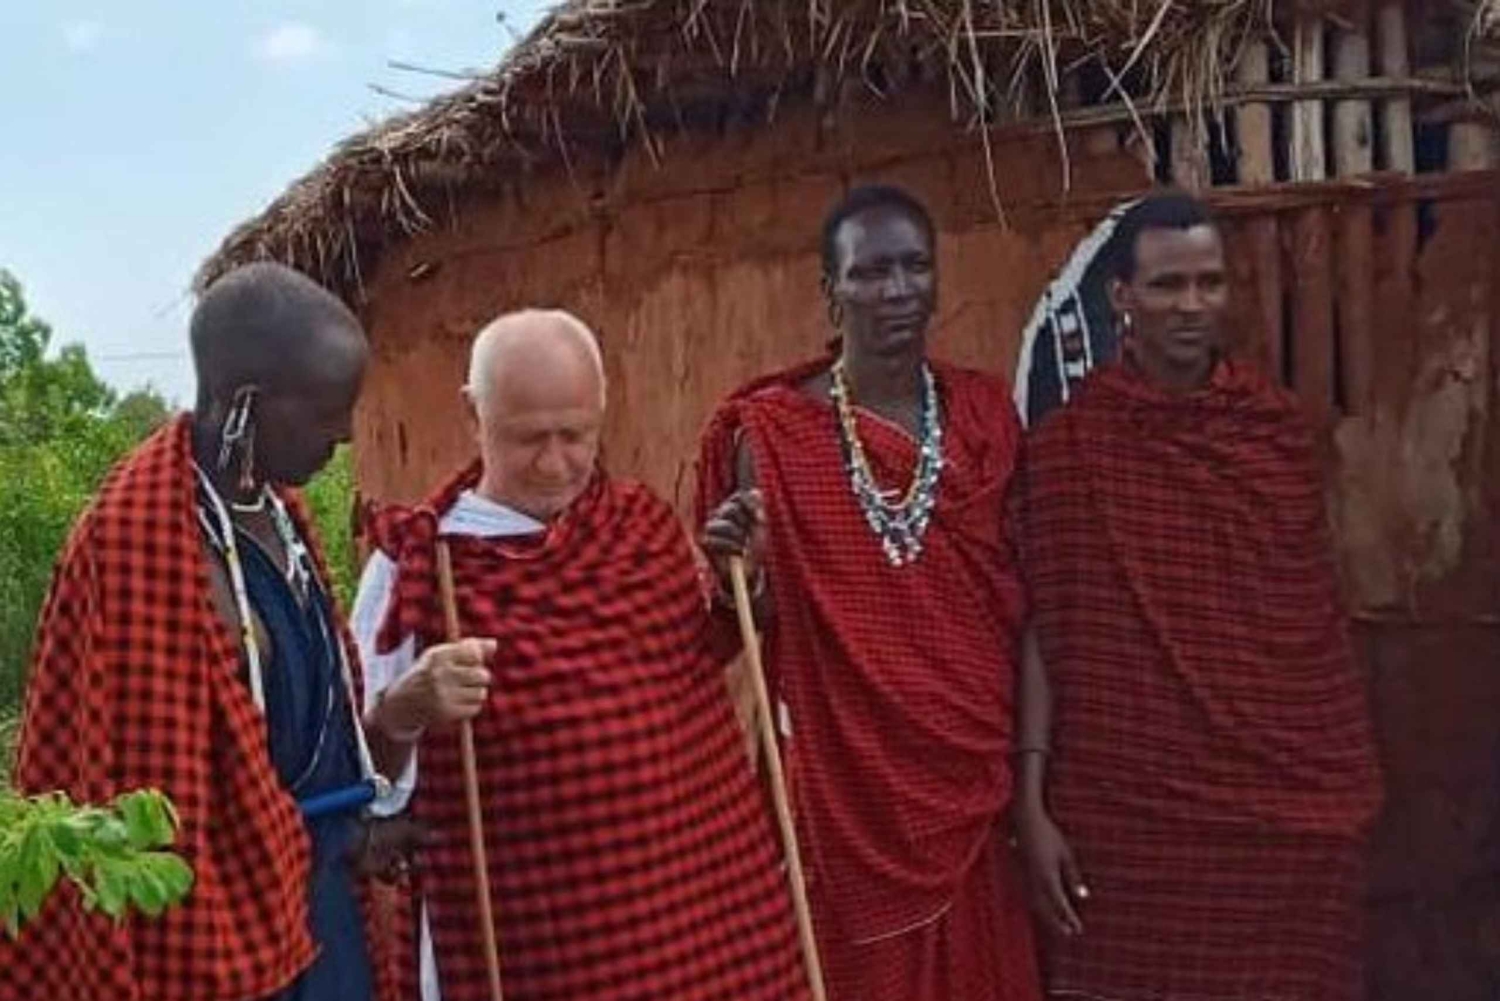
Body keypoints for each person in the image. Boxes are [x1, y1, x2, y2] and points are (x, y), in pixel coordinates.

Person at [0, 262, 488, 1001]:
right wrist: (324, 839)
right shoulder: (137, 543)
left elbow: (310, 741)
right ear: (246, 405)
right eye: (326, 411)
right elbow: (156, 804)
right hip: (206, 936)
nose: (344, 434)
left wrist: (355, 822)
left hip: (316, 912)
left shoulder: (280, 519)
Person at [352, 308, 810, 1001]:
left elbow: (684, 660)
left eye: (576, 435)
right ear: (474, 416)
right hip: (540, 948)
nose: (555, 463)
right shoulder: (418, 569)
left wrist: (739, 583)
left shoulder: (639, 528)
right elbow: (367, 783)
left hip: (705, 913)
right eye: (528, 438)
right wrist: (405, 707)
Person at [1013, 191, 1383, 1001]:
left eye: (1208, 283)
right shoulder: (1070, 448)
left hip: (1282, 807)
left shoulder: (1273, 433)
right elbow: (1046, 624)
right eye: (1167, 285)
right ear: (1122, 296)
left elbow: (1306, 629)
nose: (1190, 305)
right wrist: (1029, 798)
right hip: (1126, 816)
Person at [695, 185, 1041, 1001]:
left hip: (971, 787)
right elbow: (745, 620)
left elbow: (1029, 600)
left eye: (915, 267)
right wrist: (745, 569)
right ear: (832, 291)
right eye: (871, 272)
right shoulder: (773, 435)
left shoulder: (984, 416)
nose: (897, 290)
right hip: (848, 793)